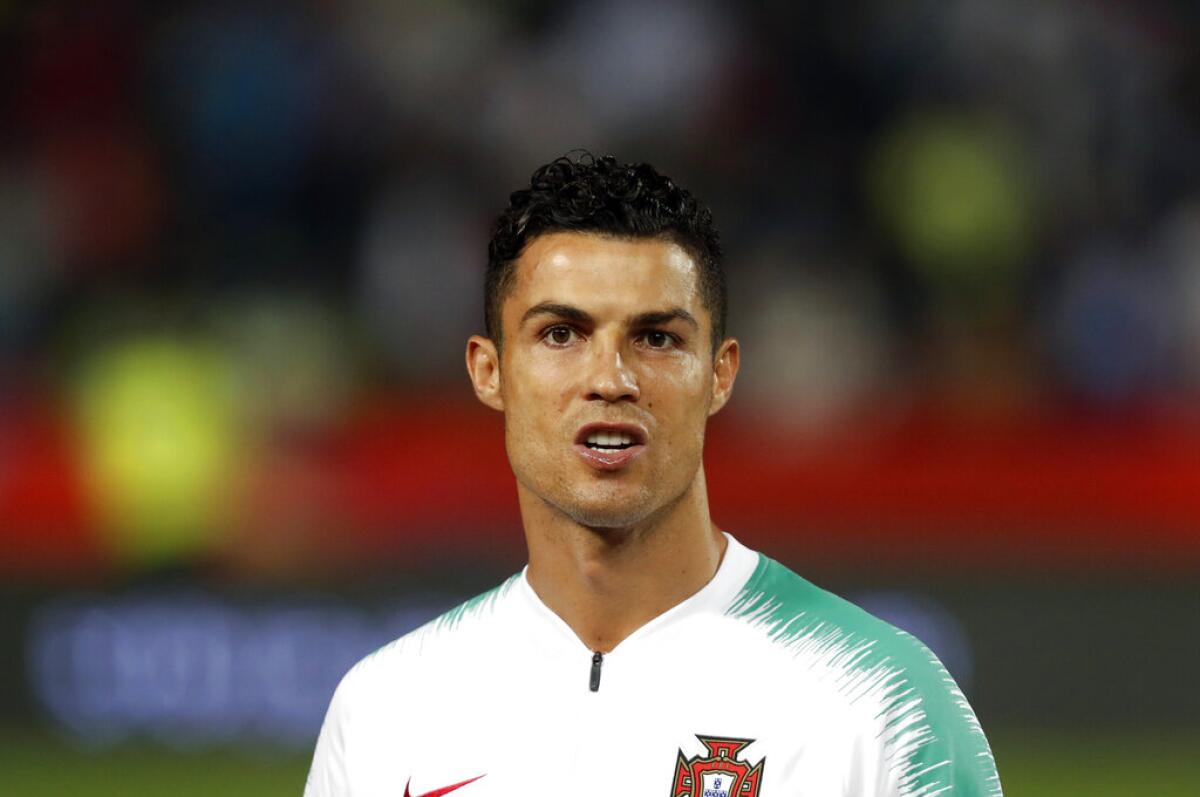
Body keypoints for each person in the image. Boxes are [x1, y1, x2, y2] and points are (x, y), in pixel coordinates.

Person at [304, 154, 1002, 797]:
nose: (610, 378)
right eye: (561, 333)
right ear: (490, 371)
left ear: (721, 373)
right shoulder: (384, 710)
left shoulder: (884, 702)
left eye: (657, 338)